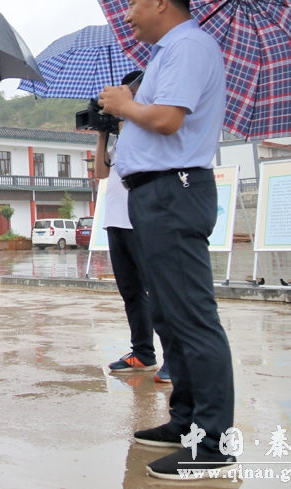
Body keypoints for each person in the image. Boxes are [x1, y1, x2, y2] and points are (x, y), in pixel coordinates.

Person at [98, 0, 234, 479]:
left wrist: (124, 104)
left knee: (192, 317)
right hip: (154, 195)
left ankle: (214, 441)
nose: (127, 14)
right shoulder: (167, 52)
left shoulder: (188, 46)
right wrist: (125, 110)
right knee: (169, 316)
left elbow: (169, 119)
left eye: (133, 3)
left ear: (161, 2)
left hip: (174, 191)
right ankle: (186, 422)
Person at [94, 71, 169, 383]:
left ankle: (174, 357)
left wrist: (126, 118)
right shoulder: (121, 140)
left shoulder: (148, 132)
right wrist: (103, 133)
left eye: (131, 91)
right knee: (131, 292)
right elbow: (101, 172)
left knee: (158, 290)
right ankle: (143, 352)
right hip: (115, 222)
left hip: (141, 222)